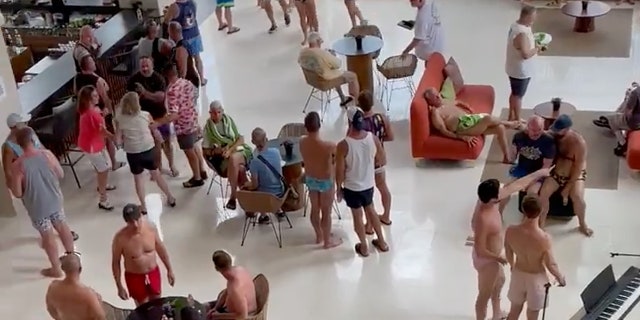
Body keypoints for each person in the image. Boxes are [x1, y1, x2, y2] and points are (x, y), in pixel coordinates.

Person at [471, 168, 552, 320]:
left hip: (494, 256)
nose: (503, 192)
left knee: (499, 283)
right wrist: (498, 258)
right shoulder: (482, 218)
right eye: (499, 192)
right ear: (494, 199)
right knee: (484, 296)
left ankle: (497, 314)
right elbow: (480, 249)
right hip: (487, 260)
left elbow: (518, 185)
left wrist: (540, 173)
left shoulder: (491, 200)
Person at [9, 128, 76, 278]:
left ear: (19, 145)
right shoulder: (47, 155)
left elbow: (18, 193)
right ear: (33, 140)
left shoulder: (17, 166)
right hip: (55, 199)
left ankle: (56, 269)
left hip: (37, 207)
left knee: (47, 235)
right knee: (62, 226)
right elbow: (61, 174)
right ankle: (72, 256)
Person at [2, 114, 79, 242]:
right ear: (14, 127)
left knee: (56, 208)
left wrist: (52, 165)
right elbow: (8, 170)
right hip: (29, 182)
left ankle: (62, 231)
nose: (26, 124)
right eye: (22, 123)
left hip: (44, 174)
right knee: (39, 211)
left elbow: (42, 148)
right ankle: (48, 235)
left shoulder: (30, 132)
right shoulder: (8, 146)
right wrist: (17, 188)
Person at [336, 107, 388, 257]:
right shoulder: (373, 138)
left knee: (357, 217)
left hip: (352, 187)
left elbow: (339, 171)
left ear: (349, 122)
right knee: (371, 211)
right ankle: (382, 242)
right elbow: (382, 159)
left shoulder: (343, 145)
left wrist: (338, 187)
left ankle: (364, 247)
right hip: (368, 184)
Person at [505, 195, 566, 320]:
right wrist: (560, 277)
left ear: (523, 209)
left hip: (518, 274)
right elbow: (551, 264)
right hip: (536, 278)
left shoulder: (510, 231)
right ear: (541, 211)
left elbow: (508, 252)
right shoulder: (544, 238)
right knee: (533, 315)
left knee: (514, 311)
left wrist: (512, 265)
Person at [115, 92, 176, 214]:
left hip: (133, 153)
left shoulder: (120, 119)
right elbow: (154, 130)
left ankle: (143, 206)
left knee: (138, 179)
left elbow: (118, 140)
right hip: (148, 150)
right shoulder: (146, 115)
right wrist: (160, 139)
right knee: (156, 175)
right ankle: (170, 197)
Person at [424, 88, 521, 163]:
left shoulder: (445, 101)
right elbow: (444, 131)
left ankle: (506, 157)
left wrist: (468, 107)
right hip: (463, 128)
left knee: (500, 128)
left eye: (438, 94)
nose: (439, 97)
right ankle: (510, 123)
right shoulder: (436, 113)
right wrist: (461, 137)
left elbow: (457, 102)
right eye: (435, 97)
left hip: (471, 120)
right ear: (430, 101)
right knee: (488, 118)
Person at [538, 115, 592, 236]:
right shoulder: (553, 135)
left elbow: (578, 167)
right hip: (558, 173)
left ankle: (582, 224)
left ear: (567, 129)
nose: (556, 133)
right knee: (543, 194)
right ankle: (541, 224)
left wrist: (567, 188)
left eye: (559, 130)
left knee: (578, 197)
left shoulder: (579, 143)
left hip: (575, 174)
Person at [112, 204, 176, 306]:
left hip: (153, 272)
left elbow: (161, 249)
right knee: (142, 308)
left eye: (138, 219)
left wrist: (170, 269)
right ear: (126, 222)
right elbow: (116, 263)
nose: (136, 224)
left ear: (141, 215)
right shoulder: (120, 239)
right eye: (131, 222)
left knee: (157, 303)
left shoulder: (151, 228)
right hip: (134, 276)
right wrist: (119, 286)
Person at [127, 56, 178, 177]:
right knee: (153, 145)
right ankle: (158, 168)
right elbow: (130, 99)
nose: (144, 68)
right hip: (144, 119)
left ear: (152, 66)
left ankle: (172, 165)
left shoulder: (159, 78)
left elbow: (160, 97)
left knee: (166, 142)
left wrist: (144, 93)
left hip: (160, 115)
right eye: (142, 66)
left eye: (147, 66)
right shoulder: (133, 80)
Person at [160, 63, 207, 188]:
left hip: (183, 126)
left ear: (166, 75)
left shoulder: (172, 91)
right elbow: (194, 97)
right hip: (193, 120)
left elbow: (174, 115)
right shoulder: (187, 83)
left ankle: (197, 178)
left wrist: (159, 123)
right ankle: (202, 170)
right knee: (195, 146)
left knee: (189, 151)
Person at [299, 111, 342, 248]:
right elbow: (336, 161)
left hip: (311, 179)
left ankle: (319, 235)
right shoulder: (329, 146)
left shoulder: (302, 142)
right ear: (319, 125)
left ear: (306, 127)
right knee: (326, 212)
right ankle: (327, 242)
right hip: (325, 181)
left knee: (314, 210)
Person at [74, 55, 124, 172]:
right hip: (100, 112)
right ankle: (113, 162)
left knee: (94, 135)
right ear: (88, 65)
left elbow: (76, 92)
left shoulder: (77, 77)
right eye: (92, 61)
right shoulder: (96, 80)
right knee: (106, 138)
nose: (94, 63)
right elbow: (105, 97)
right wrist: (110, 112)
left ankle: (98, 164)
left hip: (85, 110)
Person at [202, 101, 252, 210]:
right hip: (222, 158)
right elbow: (205, 151)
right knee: (240, 170)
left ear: (222, 111)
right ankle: (249, 204)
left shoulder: (229, 121)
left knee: (234, 158)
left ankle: (233, 196)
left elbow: (241, 139)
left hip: (238, 150)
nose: (216, 115)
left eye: (219, 112)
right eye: (213, 113)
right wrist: (216, 151)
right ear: (210, 113)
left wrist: (230, 150)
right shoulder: (208, 129)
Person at [499, 116, 555, 213]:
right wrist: (510, 156)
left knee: (531, 195)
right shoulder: (519, 137)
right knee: (506, 189)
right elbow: (512, 157)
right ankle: (499, 214)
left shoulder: (548, 141)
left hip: (538, 172)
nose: (536, 133)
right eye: (533, 130)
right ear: (527, 127)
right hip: (522, 169)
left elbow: (546, 167)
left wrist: (531, 180)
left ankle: (528, 221)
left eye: (539, 129)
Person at [76, 85, 116, 211]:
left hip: (91, 143)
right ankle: (103, 199)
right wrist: (115, 138)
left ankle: (102, 185)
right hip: (92, 146)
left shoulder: (89, 111)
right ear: (88, 99)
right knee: (103, 169)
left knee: (102, 167)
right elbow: (103, 131)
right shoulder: (93, 114)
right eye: (94, 96)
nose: (97, 97)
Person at [358, 91, 394, 226]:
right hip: (378, 159)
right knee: (383, 187)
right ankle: (386, 216)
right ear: (372, 103)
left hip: (364, 162)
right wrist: (378, 139)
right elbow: (391, 136)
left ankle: (369, 223)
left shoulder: (357, 122)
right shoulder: (382, 118)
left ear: (359, 105)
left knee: (367, 192)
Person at [298, 32, 360, 106]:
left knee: (333, 71)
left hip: (312, 80)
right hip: (325, 81)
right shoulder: (321, 53)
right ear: (317, 41)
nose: (321, 43)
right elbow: (338, 64)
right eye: (321, 41)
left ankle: (343, 98)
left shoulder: (302, 52)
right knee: (353, 76)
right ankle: (357, 103)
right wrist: (332, 55)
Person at [45, 253, 106, 320]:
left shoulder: (53, 288)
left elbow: (51, 310)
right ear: (80, 269)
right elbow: (100, 317)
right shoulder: (88, 294)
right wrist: (99, 302)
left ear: (62, 268)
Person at [244, 128, 285, 224]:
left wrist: (247, 184)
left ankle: (263, 215)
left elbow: (255, 185)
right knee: (270, 180)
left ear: (253, 142)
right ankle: (279, 210)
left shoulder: (254, 162)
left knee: (253, 187)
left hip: (265, 198)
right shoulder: (276, 152)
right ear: (266, 139)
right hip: (280, 193)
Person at [506, 5, 539, 122]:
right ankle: (518, 119)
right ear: (527, 16)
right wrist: (537, 49)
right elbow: (525, 54)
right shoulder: (522, 33)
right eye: (533, 17)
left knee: (514, 93)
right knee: (518, 96)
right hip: (521, 71)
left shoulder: (515, 25)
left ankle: (511, 115)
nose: (534, 20)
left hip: (512, 67)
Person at [165, 0, 207, 85]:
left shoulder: (174, 7)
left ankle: (183, 83)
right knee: (197, 58)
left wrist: (167, 13)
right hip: (195, 34)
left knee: (183, 64)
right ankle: (202, 79)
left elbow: (166, 22)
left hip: (183, 38)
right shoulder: (193, 3)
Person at [205, 250, 257, 319]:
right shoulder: (239, 269)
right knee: (202, 307)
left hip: (246, 314)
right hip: (232, 309)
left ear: (217, 268)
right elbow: (227, 291)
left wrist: (217, 316)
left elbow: (243, 316)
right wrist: (215, 308)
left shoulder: (236, 288)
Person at [593, 84, 640, 156]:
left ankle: (622, 143)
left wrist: (628, 98)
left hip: (635, 123)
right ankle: (612, 118)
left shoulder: (635, 92)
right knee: (618, 114)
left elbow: (628, 113)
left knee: (613, 122)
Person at [167, 22, 201, 88]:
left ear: (173, 32)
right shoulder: (185, 43)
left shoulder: (180, 49)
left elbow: (183, 71)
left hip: (188, 82)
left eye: (169, 32)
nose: (169, 35)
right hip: (191, 79)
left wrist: (180, 86)